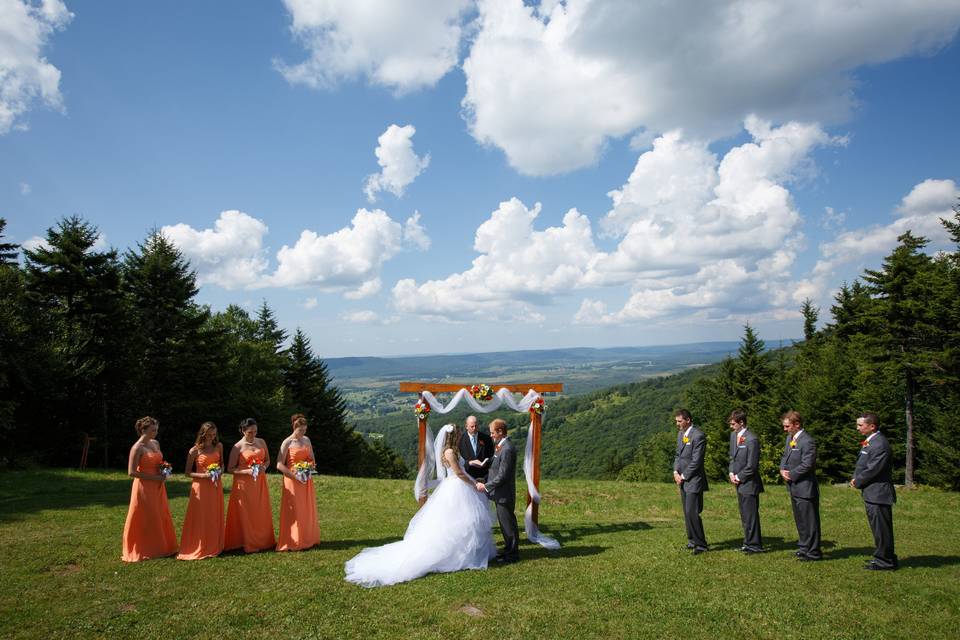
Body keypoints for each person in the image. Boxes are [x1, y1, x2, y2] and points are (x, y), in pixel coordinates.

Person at [345, 424, 497, 587]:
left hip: (457, 485)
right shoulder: (450, 452)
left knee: (465, 521)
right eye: (459, 434)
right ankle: (457, 554)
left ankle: (468, 552)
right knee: (458, 521)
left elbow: (462, 467)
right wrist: (473, 484)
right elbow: (459, 473)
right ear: (453, 436)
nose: (461, 435)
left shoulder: (453, 451)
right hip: (457, 486)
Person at [121, 416, 178, 562]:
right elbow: (131, 472)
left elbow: (158, 462)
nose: (155, 433)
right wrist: (156, 478)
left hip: (159, 485)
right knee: (147, 516)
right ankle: (145, 548)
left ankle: (161, 547)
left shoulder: (155, 443)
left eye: (157, 430)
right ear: (143, 430)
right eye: (153, 430)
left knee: (160, 514)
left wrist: (164, 469)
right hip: (144, 487)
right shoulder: (137, 448)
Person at [851, 412, 898, 570]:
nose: (857, 428)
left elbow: (873, 469)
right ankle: (882, 557)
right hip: (872, 493)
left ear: (872, 426)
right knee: (878, 528)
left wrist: (858, 481)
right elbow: (863, 463)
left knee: (882, 529)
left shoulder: (880, 444)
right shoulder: (871, 441)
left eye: (860, 425)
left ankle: (885, 561)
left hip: (879, 494)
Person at [225, 418, 276, 553]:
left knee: (260, 510)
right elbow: (230, 469)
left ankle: (263, 540)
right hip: (244, 485)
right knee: (247, 513)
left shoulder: (261, 442)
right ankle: (246, 541)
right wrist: (247, 471)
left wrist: (264, 467)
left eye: (255, 431)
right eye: (250, 432)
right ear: (243, 431)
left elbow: (267, 460)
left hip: (259, 482)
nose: (253, 434)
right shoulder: (238, 447)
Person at [177, 422, 225, 560]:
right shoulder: (194, 450)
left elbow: (222, 464)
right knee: (201, 516)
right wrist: (203, 476)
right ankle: (199, 544)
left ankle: (214, 544)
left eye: (214, 434)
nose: (211, 437)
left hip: (215, 486)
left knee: (214, 514)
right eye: (209, 434)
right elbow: (187, 473)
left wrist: (219, 472)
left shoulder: (219, 446)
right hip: (200, 487)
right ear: (202, 434)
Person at [779, 410, 822, 561]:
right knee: (800, 519)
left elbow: (808, 464)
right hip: (794, 486)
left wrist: (791, 474)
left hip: (805, 487)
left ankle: (813, 551)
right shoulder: (790, 438)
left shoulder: (807, 441)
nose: (785, 429)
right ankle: (804, 547)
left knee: (809, 520)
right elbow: (785, 456)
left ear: (797, 424)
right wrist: (782, 469)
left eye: (787, 426)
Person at [477, 418, 520, 563]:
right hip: (500, 494)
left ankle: (512, 555)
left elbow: (503, 475)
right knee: (504, 523)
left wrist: (486, 486)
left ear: (500, 432)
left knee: (508, 524)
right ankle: (508, 550)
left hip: (504, 494)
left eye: (492, 433)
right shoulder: (502, 446)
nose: (491, 436)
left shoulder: (507, 449)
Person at [276, 413, 320, 552]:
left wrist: (310, 467)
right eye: (300, 430)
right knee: (295, 510)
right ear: (294, 428)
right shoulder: (287, 442)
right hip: (292, 480)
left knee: (306, 509)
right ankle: (294, 540)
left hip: (306, 480)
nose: (302, 433)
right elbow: (279, 464)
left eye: (304, 430)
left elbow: (311, 459)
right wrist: (294, 475)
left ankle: (308, 538)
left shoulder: (307, 440)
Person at [727, 409, 763, 553]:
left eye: (733, 424)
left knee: (751, 514)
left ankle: (755, 545)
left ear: (741, 422)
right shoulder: (733, 436)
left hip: (749, 483)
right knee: (744, 514)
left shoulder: (752, 439)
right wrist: (731, 472)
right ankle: (748, 542)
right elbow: (732, 457)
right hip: (738, 482)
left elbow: (752, 465)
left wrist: (739, 477)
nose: (731, 426)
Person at [673, 408, 708, 554]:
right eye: (676, 421)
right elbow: (677, 455)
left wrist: (684, 475)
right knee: (687, 512)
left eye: (679, 421)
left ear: (688, 420)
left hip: (693, 480)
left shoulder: (698, 436)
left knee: (692, 511)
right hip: (682, 479)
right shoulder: (681, 434)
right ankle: (692, 540)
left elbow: (696, 461)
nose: (677, 424)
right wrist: (675, 471)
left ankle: (701, 544)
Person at [459, 415, 494, 481]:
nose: (474, 428)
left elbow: (491, 456)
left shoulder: (486, 438)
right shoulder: (460, 440)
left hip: (484, 476)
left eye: (476, 426)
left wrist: (486, 463)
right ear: (466, 426)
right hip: (467, 476)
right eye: (472, 426)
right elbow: (458, 460)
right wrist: (469, 463)